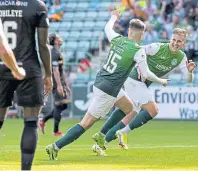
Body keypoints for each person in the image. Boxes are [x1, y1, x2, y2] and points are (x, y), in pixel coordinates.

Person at [46, 9, 169, 160]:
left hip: (101, 82)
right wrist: (161, 80)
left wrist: (114, 17)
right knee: (86, 123)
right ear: (141, 35)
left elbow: (107, 28)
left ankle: (101, 134)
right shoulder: (138, 51)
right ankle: (55, 146)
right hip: (108, 90)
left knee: (129, 107)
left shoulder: (117, 39)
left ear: (129, 31)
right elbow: (147, 74)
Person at [92, 28, 196, 156]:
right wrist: (138, 66)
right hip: (133, 79)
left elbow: (188, 80)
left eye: (179, 41)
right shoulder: (156, 47)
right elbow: (137, 51)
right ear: (170, 39)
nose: (175, 43)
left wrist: (190, 72)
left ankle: (100, 143)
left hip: (142, 84)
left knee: (128, 114)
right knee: (153, 110)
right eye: (173, 40)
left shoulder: (181, 57)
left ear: (184, 43)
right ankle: (123, 132)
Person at [0, 1, 53, 170]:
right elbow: (43, 45)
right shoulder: (37, 6)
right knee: (30, 122)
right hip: (28, 68)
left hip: (1, 66)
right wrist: (49, 74)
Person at [39, 33, 71, 136]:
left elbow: (62, 71)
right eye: (59, 37)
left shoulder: (57, 52)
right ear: (56, 41)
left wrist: (66, 84)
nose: (61, 39)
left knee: (64, 105)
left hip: (60, 82)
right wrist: (59, 85)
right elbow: (55, 70)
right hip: (56, 82)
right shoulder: (53, 53)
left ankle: (43, 120)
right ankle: (55, 131)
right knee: (59, 105)